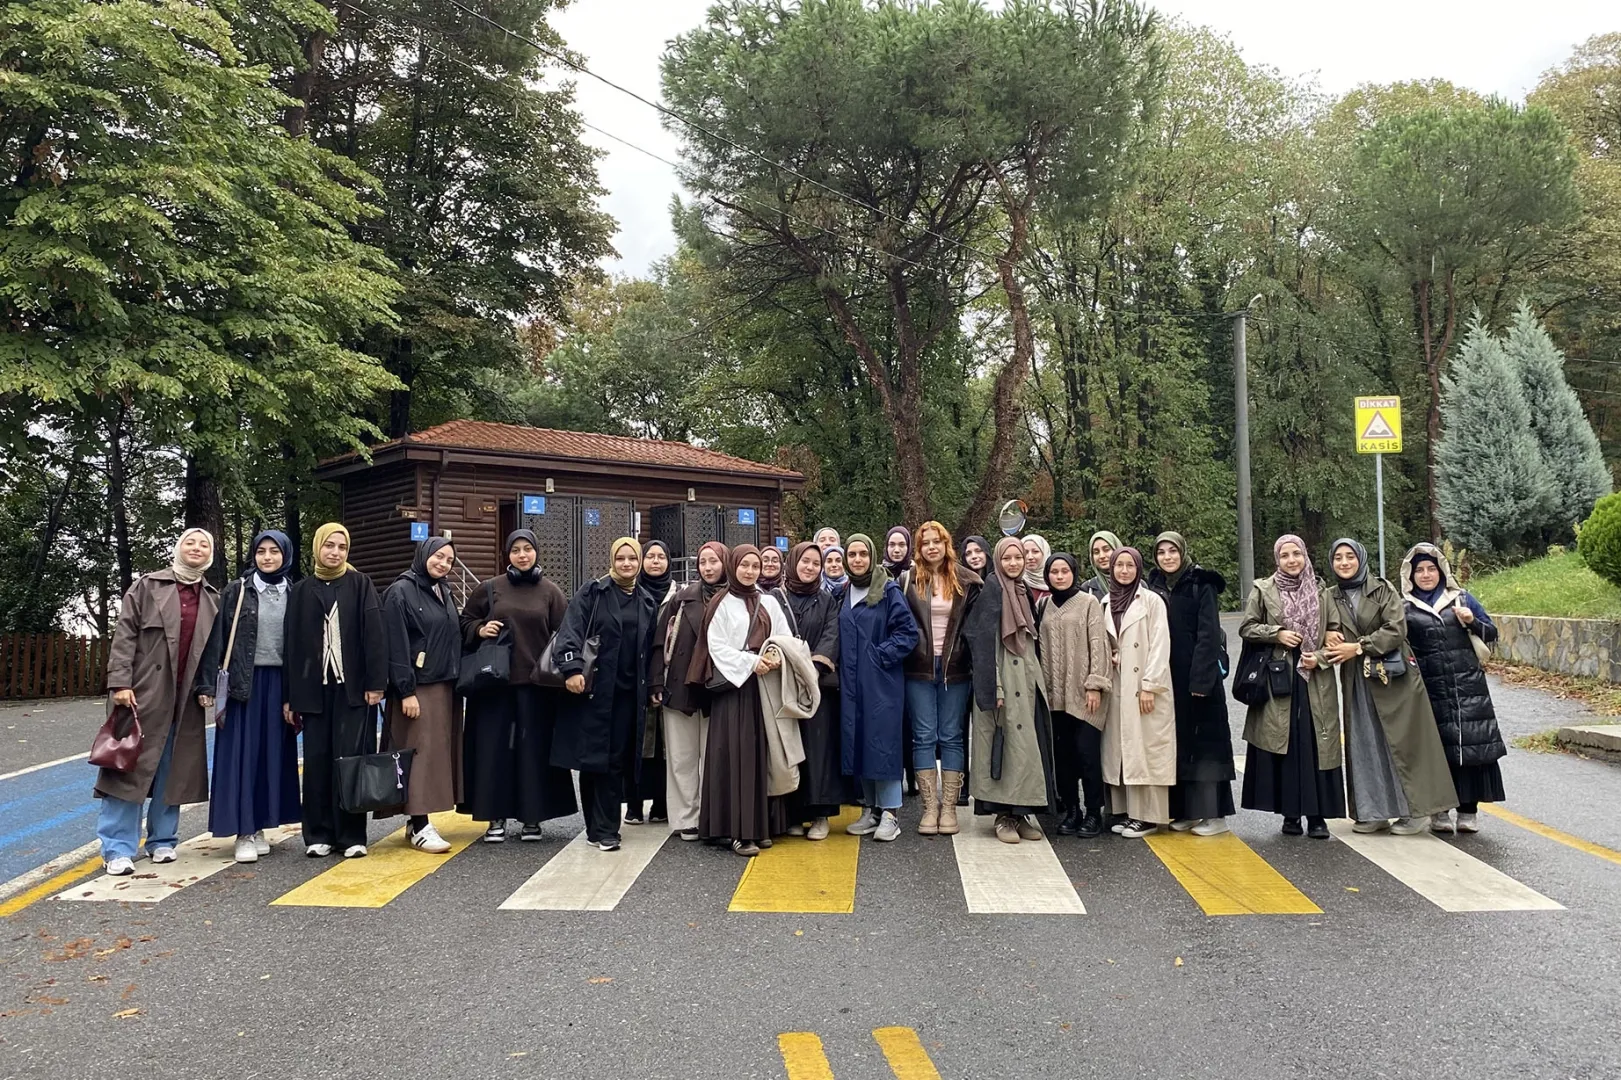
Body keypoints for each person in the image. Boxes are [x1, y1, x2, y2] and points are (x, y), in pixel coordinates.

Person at [95, 529, 220, 875]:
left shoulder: (212, 597)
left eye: (204, 544)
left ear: (210, 554)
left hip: (186, 697)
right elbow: (124, 635)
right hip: (142, 693)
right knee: (127, 767)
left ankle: (163, 840)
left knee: (173, 770)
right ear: (178, 548)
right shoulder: (147, 586)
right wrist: (120, 682)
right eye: (190, 542)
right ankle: (117, 848)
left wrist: (207, 685)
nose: (197, 548)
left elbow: (213, 649)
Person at [1324, 539, 1457, 835]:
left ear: (1361, 559)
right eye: (1338, 558)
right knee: (1364, 742)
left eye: (1349, 556)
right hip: (1357, 679)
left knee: (1406, 742)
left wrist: (1359, 646)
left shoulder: (1382, 589)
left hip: (1394, 676)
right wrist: (1327, 635)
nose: (1344, 563)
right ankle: (1374, 811)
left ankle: (1417, 811)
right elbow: (1322, 626)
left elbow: (1396, 628)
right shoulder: (1329, 596)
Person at [458, 529, 577, 843]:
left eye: (527, 549)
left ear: (536, 552)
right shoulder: (490, 588)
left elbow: (566, 634)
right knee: (493, 753)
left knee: (533, 753)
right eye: (515, 550)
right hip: (494, 685)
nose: (522, 555)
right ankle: (495, 817)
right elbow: (464, 621)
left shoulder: (551, 591)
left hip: (537, 688)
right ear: (507, 555)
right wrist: (480, 629)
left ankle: (532, 817)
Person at [195, 530, 300, 864]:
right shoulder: (238, 590)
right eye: (261, 551)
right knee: (243, 757)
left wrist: (296, 694)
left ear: (286, 555)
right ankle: (243, 831)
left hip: (280, 684)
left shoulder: (295, 592)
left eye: (274, 551)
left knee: (272, 757)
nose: (267, 557)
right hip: (244, 683)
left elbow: (302, 647)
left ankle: (261, 826)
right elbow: (218, 637)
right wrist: (206, 686)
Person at [285, 523, 387, 858]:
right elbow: (291, 644)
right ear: (317, 548)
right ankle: (318, 834)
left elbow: (375, 634)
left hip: (353, 690)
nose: (335, 552)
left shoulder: (360, 584)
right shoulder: (301, 590)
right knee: (317, 762)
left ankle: (351, 835)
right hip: (313, 691)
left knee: (350, 761)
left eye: (342, 547)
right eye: (329, 545)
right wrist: (290, 696)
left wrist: (376, 683)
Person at [550, 537, 658, 851]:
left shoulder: (645, 601)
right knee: (594, 759)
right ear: (612, 560)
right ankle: (600, 829)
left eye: (632, 558)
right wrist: (571, 669)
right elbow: (571, 630)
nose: (626, 564)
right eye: (621, 558)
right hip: (594, 691)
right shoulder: (594, 592)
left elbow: (650, 648)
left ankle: (604, 827)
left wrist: (653, 687)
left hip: (628, 696)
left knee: (616, 760)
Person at [1239, 535, 1345, 839]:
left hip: (1315, 678)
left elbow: (1335, 632)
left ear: (1305, 555)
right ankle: (1290, 815)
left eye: (1296, 553)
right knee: (1285, 744)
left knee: (1315, 744)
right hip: (1279, 677)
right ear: (1277, 559)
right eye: (1284, 555)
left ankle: (1317, 816)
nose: (1291, 560)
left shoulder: (1322, 591)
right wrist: (1277, 633)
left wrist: (1319, 658)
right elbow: (1247, 627)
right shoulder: (1264, 589)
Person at [692, 545, 792, 856]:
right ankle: (736, 830)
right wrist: (750, 662)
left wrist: (775, 654)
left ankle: (760, 826)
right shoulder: (721, 603)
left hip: (763, 689)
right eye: (744, 565)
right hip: (733, 692)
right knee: (735, 756)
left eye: (755, 566)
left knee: (762, 756)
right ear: (733, 566)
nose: (749, 571)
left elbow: (784, 636)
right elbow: (716, 646)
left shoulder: (769, 601)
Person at [1401, 543, 1505, 835]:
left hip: (1467, 687)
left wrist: (1472, 621)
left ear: (1441, 571)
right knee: (1437, 750)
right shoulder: (1405, 606)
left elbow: (1491, 633)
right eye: (1419, 570)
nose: (1425, 575)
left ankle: (1469, 811)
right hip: (1429, 689)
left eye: (1431, 569)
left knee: (1471, 748)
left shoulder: (1461, 598)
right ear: (1410, 575)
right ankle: (1440, 810)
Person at [964, 537, 1056, 844]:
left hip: (1026, 679)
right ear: (998, 561)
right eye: (1008, 558)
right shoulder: (991, 590)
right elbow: (982, 642)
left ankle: (1020, 813)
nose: (1014, 563)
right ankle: (1002, 816)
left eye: (1018, 558)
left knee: (1025, 750)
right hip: (1002, 680)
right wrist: (996, 687)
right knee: (1002, 748)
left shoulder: (1022, 590)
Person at [1147, 532, 1236, 837]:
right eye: (1161, 552)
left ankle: (1215, 815)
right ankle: (1187, 811)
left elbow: (1209, 634)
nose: (1167, 557)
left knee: (1207, 747)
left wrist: (1201, 680)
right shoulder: (1155, 585)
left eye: (1172, 551)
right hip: (1169, 679)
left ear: (1182, 552)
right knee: (1180, 746)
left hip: (1200, 679)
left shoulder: (1201, 583)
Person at [380, 536, 464, 854]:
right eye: (438, 556)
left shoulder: (443, 590)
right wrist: (406, 691)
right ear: (423, 554)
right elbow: (395, 645)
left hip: (444, 684)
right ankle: (419, 825)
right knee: (419, 754)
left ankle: (417, 821)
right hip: (418, 688)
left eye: (449, 560)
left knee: (435, 755)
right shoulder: (400, 591)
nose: (443, 564)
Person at [838, 534, 919, 843]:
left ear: (872, 557)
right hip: (851, 682)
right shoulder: (845, 592)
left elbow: (907, 633)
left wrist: (879, 656)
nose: (858, 559)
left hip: (881, 681)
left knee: (883, 742)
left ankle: (890, 813)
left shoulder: (888, 590)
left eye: (863, 554)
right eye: (852, 554)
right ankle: (871, 809)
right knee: (860, 741)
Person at [902, 521, 981, 835]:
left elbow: (976, 626)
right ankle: (929, 807)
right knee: (923, 736)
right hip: (918, 666)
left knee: (951, 736)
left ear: (947, 545)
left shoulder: (967, 580)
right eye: (926, 543)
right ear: (919, 548)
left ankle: (948, 807)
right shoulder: (907, 580)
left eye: (937, 541)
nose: (932, 547)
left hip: (955, 667)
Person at [651, 540, 727, 840]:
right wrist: (656, 682)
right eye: (703, 562)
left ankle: (711, 814)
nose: (708, 567)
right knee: (681, 757)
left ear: (725, 562)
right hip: (680, 686)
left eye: (714, 561)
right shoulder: (682, 598)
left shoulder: (734, 597)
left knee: (713, 756)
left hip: (718, 688)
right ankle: (685, 818)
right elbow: (660, 642)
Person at [1099, 548, 1176, 837]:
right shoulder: (1105, 602)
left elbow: (1160, 644)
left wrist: (1150, 685)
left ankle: (1147, 816)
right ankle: (1124, 811)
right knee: (1121, 749)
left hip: (1144, 687)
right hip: (1118, 686)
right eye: (1119, 565)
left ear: (1139, 569)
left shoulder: (1151, 600)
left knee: (1146, 750)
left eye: (1130, 565)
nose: (1124, 571)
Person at [1037, 552, 1111, 839]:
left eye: (1064, 571)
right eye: (1054, 572)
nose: (1059, 576)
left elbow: (1099, 644)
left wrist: (1095, 684)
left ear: (1073, 573)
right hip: (1054, 697)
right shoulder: (1043, 605)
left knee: (1087, 754)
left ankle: (1093, 813)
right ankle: (1072, 810)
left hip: (1083, 694)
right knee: (1063, 757)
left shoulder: (1088, 602)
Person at [777, 542, 848, 840]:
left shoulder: (826, 599)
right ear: (793, 562)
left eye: (815, 563)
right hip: (784, 684)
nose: (810, 567)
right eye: (804, 561)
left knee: (819, 748)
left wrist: (813, 670)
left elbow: (832, 634)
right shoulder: (776, 598)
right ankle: (793, 814)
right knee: (790, 748)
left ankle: (821, 814)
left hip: (818, 686)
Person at [623, 540, 675, 825]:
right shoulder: (631, 591)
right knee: (636, 741)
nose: (655, 561)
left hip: (666, 676)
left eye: (661, 557)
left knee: (665, 745)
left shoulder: (678, 594)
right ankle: (633, 803)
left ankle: (661, 804)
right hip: (632, 676)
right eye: (650, 556)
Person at [1081, 530, 1122, 600]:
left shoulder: (1137, 585)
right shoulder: (1088, 588)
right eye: (1096, 552)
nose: (1102, 556)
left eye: (1106, 549)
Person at [1021, 534, 1052, 603]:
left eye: (1035, 552)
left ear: (1045, 554)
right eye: (1025, 552)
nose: (1030, 557)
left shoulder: (1056, 582)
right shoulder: (1016, 584)